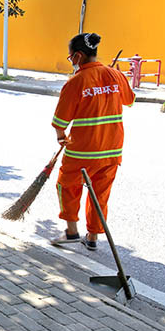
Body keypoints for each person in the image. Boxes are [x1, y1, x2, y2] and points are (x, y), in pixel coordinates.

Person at [50, 33, 135, 251]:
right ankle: (93, 237)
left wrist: (60, 136)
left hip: (83, 151)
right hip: (112, 149)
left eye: (71, 57)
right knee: (100, 194)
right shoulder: (116, 75)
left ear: (78, 56)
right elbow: (129, 100)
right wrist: (114, 82)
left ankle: (71, 232)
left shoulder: (76, 81)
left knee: (67, 186)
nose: (71, 61)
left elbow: (61, 120)